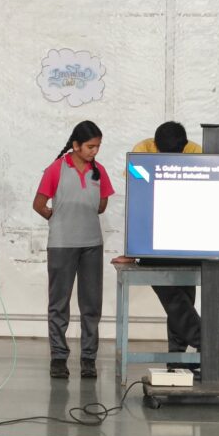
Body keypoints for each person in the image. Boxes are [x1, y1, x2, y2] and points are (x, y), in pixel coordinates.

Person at [113, 121, 202, 366]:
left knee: (183, 300)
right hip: (153, 241)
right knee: (175, 299)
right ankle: (206, 342)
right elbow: (138, 200)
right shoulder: (141, 152)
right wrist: (132, 249)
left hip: (187, 240)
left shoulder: (196, 152)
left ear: (184, 147)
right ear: (156, 146)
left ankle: (177, 359)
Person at [33, 120, 115, 379]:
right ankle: (58, 357)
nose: (95, 151)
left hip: (92, 244)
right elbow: (39, 204)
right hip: (61, 245)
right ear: (76, 145)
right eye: (90, 146)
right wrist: (57, 218)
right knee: (59, 303)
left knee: (91, 304)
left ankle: (89, 358)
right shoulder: (56, 169)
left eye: (98, 146)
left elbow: (102, 205)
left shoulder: (99, 171)